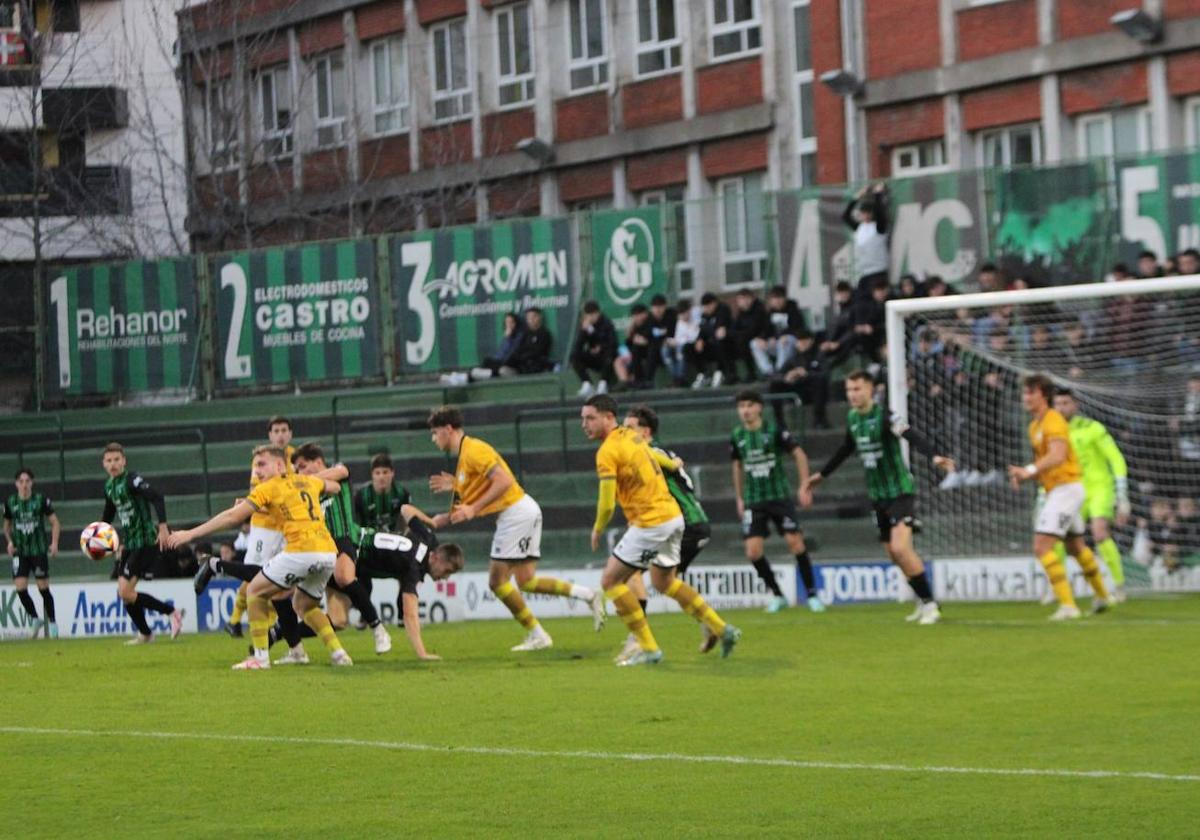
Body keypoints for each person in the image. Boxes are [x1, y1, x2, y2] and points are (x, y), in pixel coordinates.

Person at [427, 406, 604, 651]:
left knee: (497, 581)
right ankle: (588, 595)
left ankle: (538, 635)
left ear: (448, 429)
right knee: (526, 581)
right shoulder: (466, 458)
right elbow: (466, 505)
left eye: (435, 433)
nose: (433, 439)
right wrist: (446, 510)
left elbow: (504, 480)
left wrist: (474, 508)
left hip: (516, 514)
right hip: (522, 510)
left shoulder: (474, 450)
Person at [582, 394, 739, 665]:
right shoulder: (633, 437)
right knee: (663, 582)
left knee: (610, 581)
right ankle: (723, 629)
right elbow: (657, 455)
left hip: (650, 522)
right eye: (582, 419)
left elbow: (607, 503)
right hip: (673, 518)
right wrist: (674, 463)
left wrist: (598, 528)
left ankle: (648, 647)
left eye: (590, 418)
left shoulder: (607, 451)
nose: (584, 424)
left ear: (609, 417)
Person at [169, 445, 352, 669]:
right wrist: (303, 483)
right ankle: (339, 654)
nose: (257, 471)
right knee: (304, 605)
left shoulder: (269, 488)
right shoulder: (306, 481)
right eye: (255, 466)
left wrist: (190, 533)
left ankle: (260, 657)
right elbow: (334, 487)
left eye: (262, 464)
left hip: (302, 550)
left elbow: (232, 517)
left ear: (279, 465)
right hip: (327, 553)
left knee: (254, 590)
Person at [803, 371, 954, 624]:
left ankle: (930, 605)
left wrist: (934, 456)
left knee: (900, 548)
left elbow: (910, 434)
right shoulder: (852, 418)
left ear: (871, 389)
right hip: (878, 496)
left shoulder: (885, 415)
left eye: (858, 389)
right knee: (894, 555)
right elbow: (846, 448)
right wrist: (822, 475)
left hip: (900, 491)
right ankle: (922, 600)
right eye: (849, 390)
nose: (853, 394)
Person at [1007, 375, 1114, 620]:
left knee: (1041, 546)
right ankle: (1102, 596)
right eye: (1024, 393)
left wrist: (1029, 469)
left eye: (1030, 393)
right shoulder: (1034, 426)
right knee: (1075, 546)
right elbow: (1048, 465)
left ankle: (1068, 605)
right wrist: (1025, 476)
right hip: (1059, 489)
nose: (1025, 398)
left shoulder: (1053, 421)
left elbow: (1057, 456)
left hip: (1067, 489)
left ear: (1043, 395)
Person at [617, 406, 715, 663]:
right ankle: (709, 623)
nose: (624, 433)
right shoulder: (660, 451)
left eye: (630, 428)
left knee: (628, 571)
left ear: (645, 431)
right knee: (669, 582)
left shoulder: (646, 452)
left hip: (683, 525)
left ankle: (638, 640)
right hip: (695, 523)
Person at [292, 443, 391, 656]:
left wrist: (304, 480)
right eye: (297, 470)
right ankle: (280, 637)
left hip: (342, 539)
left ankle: (378, 629)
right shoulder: (307, 492)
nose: (300, 472)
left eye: (302, 466)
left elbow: (343, 470)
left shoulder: (336, 474)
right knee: (336, 620)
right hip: (321, 549)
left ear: (318, 462)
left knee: (345, 577)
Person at [729, 391, 822, 614]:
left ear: (759, 407)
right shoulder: (737, 435)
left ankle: (811, 594)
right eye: (741, 406)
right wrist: (739, 497)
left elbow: (799, 454)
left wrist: (803, 485)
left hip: (779, 497)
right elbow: (737, 466)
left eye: (750, 405)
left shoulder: (775, 430)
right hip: (754, 500)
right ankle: (778, 595)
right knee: (752, 552)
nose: (745, 410)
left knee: (795, 543)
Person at [99, 443, 184, 644]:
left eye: (117, 460)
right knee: (124, 593)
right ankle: (146, 633)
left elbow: (157, 496)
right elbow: (109, 513)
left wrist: (163, 526)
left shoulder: (132, 480)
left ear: (124, 461)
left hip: (146, 541)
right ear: (104, 464)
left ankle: (172, 612)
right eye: (109, 460)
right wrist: (99, 537)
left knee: (126, 592)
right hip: (130, 543)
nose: (113, 464)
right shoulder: (109, 486)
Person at [1051, 390, 1131, 601]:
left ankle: (1119, 584)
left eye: (1065, 403)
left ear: (1075, 405)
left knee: (1100, 532)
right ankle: (1057, 587)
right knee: (1056, 536)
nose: (1061, 408)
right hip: (1072, 490)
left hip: (1099, 489)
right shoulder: (1054, 433)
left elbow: (1116, 458)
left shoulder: (1093, 428)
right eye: (1057, 403)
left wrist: (1121, 493)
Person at [355, 508, 464, 660]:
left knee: (337, 617)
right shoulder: (413, 568)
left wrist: (429, 521)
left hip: (358, 536)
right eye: (447, 571)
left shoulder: (428, 538)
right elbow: (410, 614)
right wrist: (422, 653)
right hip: (351, 554)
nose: (445, 578)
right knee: (338, 618)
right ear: (437, 558)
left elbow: (405, 509)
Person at [227, 416, 295, 638]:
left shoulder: (294, 457)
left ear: (290, 433)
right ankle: (235, 619)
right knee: (255, 575)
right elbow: (255, 493)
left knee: (275, 577)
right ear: (270, 435)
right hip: (264, 525)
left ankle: (271, 621)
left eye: (284, 430)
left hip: (285, 526)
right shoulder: (262, 460)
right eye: (276, 431)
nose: (280, 434)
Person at [4, 468, 60, 638]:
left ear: (32, 483)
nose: (24, 485)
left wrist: (54, 543)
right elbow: (6, 526)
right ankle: (35, 618)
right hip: (20, 552)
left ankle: (52, 622)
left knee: (43, 588)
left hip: (38, 550)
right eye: (21, 481)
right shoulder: (10, 502)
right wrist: (10, 542)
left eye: (27, 481)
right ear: (16, 484)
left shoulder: (41, 500)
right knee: (20, 588)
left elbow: (55, 523)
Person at [843, 182, 890, 320]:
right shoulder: (860, 229)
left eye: (868, 213)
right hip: (864, 273)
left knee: (877, 304)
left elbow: (881, 213)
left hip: (878, 271)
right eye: (863, 213)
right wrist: (857, 197)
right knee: (860, 303)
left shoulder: (878, 227)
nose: (865, 216)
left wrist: (877, 194)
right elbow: (845, 216)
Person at [767, 328, 831, 429]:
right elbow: (775, 375)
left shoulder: (819, 355)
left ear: (811, 341)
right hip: (798, 389)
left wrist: (807, 374)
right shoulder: (793, 358)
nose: (802, 344)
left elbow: (825, 375)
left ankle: (819, 420)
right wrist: (786, 377)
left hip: (813, 391)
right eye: (800, 341)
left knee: (819, 382)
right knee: (774, 386)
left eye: (805, 341)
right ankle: (779, 422)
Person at [440, 312, 524, 385]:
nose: (509, 325)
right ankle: (460, 377)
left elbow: (510, 354)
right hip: (497, 365)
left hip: (507, 365)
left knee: (483, 366)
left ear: (516, 323)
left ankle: (459, 377)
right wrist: (506, 338)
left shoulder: (518, 337)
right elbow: (499, 353)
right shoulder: (507, 337)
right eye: (507, 322)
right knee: (477, 370)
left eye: (511, 322)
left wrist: (507, 339)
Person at [752, 285, 807, 376]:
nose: (777, 301)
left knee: (785, 340)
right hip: (776, 344)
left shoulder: (793, 310)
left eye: (779, 298)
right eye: (774, 298)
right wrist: (762, 339)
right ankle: (768, 371)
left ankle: (780, 370)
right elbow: (766, 330)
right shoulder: (769, 313)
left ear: (785, 298)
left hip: (792, 343)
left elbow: (797, 328)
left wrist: (780, 337)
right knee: (754, 343)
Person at [354, 453, 411, 534]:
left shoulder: (402, 494)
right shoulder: (361, 496)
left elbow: (408, 523)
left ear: (392, 473)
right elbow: (354, 524)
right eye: (377, 473)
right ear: (372, 474)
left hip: (396, 540)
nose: (381, 477)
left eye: (385, 472)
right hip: (368, 541)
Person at [571, 300, 617, 398]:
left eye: (593, 314)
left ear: (598, 313)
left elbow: (612, 343)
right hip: (594, 357)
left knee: (609, 354)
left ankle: (603, 384)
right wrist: (584, 331)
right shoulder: (586, 325)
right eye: (588, 315)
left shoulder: (606, 323)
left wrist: (600, 347)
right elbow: (578, 347)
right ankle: (587, 383)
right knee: (575, 356)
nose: (591, 317)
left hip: (606, 357)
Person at [688, 292, 734, 388]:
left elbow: (719, 330)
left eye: (708, 306)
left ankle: (722, 372)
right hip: (711, 345)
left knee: (720, 340)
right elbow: (702, 330)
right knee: (689, 347)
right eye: (704, 307)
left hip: (727, 345)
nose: (706, 309)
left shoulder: (723, 310)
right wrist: (699, 339)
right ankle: (703, 373)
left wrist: (710, 332)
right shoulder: (705, 315)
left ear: (714, 303)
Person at [730, 289, 770, 382]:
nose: (740, 302)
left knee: (744, 341)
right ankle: (733, 374)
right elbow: (734, 328)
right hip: (746, 339)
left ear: (750, 299)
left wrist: (740, 334)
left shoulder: (759, 309)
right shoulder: (741, 312)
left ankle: (758, 373)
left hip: (761, 338)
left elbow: (755, 328)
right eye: (739, 300)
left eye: (742, 299)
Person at [505, 307, 556, 375]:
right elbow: (518, 350)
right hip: (520, 366)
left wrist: (523, 356)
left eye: (533, 317)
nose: (531, 320)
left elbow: (537, 352)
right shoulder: (525, 334)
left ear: (539, 317)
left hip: (536, 368)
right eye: (528, 318)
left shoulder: (544, 334)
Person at [665, 299, 699, 386]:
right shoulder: (680, 322)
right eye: (680, 314)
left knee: (680, 349)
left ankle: (680, 378)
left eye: (684, 313)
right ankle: (675, 378)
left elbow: (693, 338)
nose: (683, 316)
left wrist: (678, 342)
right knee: (665, 350)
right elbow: (678, 337)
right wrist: (672, 341)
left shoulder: (696, 320)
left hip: (692, 347)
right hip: (680, 345)